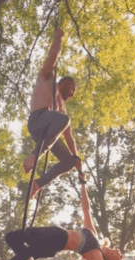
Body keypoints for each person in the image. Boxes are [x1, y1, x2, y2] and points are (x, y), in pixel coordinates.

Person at [5, 181, 124, 260]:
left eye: (120, 259)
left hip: (57, 236)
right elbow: (86, 209)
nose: (122, 255)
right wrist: (82, 184)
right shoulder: (95, 237)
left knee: (11, 237)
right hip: (51, 249)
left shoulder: (99, 259)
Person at [23, 27, 84, 199]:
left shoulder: (62, 109)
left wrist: (77, 158)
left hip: (48, 134)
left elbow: (69, 137)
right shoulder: (47, 77)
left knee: (69, 161)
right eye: (72, 88)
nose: (72, 93)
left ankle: (38, 184)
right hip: (37, 120)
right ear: (65, 82)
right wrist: (58, 38)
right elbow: (53, 55)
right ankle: (35, 156)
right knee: (64, 119)